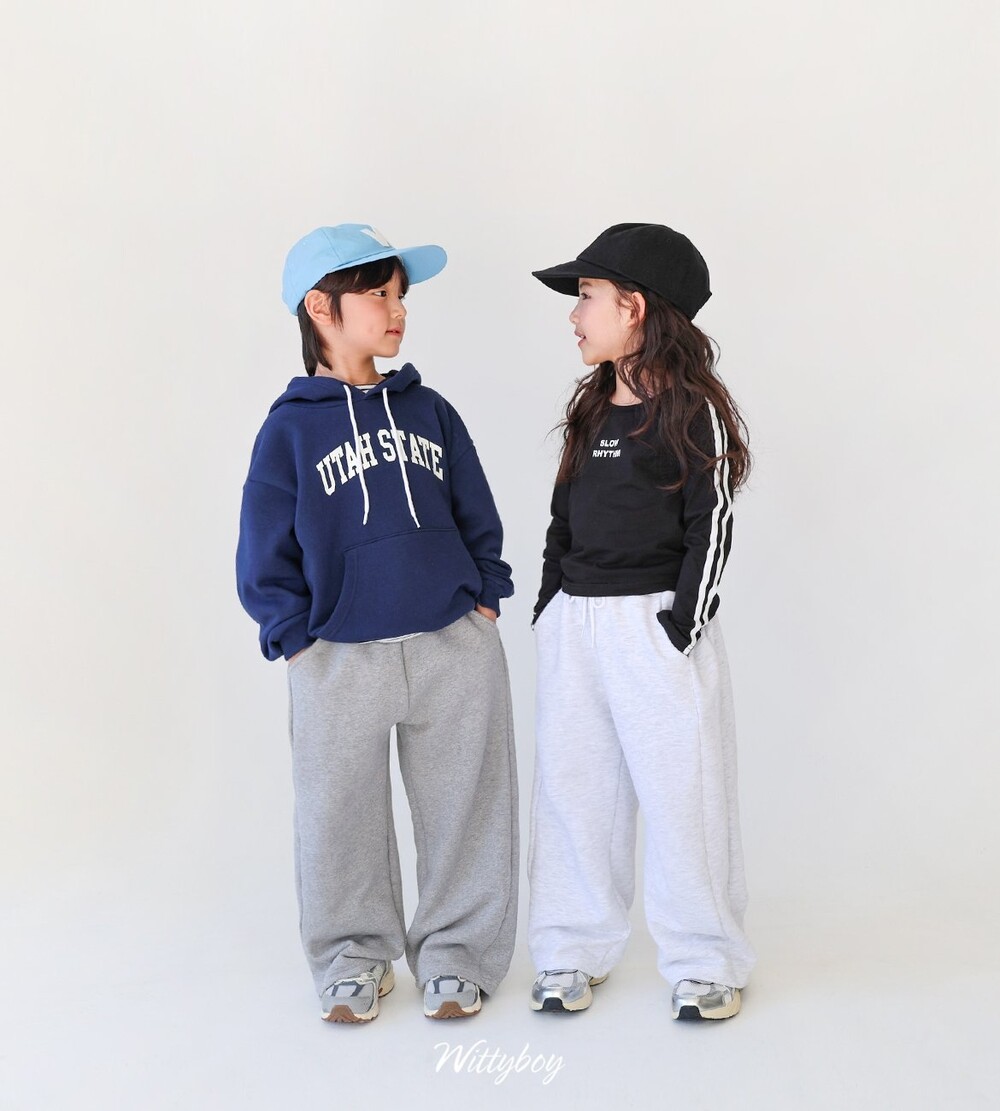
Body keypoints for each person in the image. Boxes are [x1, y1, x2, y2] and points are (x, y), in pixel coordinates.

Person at [236, 223, 517, 1023]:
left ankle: (459, 954)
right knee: (339, 818)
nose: (398, 310)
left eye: (401, 295)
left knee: (467, 808)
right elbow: (262, 545)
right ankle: (352, 956)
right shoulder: (290, 429)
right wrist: (294, 638)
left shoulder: (428, 410)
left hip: (450, 643)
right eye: (379, 294)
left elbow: (476, 510)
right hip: (337, 656)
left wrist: (485, 593)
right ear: (321, 307)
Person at [526, 223, 755, 1021]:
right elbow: (563, 518)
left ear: (635, 307)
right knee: (574, 791)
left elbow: (710, 524)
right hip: (577, 626)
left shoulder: (694, 414)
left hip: (655, 626)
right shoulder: (590, 409)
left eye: (586, 296)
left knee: (684, 797)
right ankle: (569, 947)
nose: (574, 313)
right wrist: (550, 606)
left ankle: (706, 957)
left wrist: (680, 625)